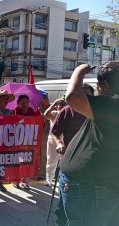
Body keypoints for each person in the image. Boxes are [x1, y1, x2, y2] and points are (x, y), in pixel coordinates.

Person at [57, 62, 119, 226]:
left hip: (89, 185)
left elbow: (72, 97)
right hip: (104, 183)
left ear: (104, 86)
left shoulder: (112, 103)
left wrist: (78, 71)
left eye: (97, 85)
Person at [50, 84, 94, 226]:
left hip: (91, 165)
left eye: (89, 95)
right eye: (83, 95)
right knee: (65, 201)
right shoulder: (67, 111)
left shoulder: (97, 112)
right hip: (69, 162)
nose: (85, 98)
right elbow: (54, 131)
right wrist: (59, 143)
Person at [12, 95, 38, 189]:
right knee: (17, 161)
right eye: (22, 102)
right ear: (18, 103)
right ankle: (16, 180)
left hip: (28, 141)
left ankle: (25, 180)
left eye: (26, 102)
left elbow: (37, 124)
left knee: (27, 161)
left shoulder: (32, 112)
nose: (24, 104)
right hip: (16, 142)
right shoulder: (13, 112)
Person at [42, 98, 66, 186]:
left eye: (62, 105)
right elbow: (45, 115)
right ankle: (49, 179)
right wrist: (53, 104)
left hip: (64, 141)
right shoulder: (54, 113)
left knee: (63, 161)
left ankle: (62, 179)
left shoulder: (67, 113)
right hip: (52, 140)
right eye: (59, 105)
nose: (60, 106)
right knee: (51, 161)